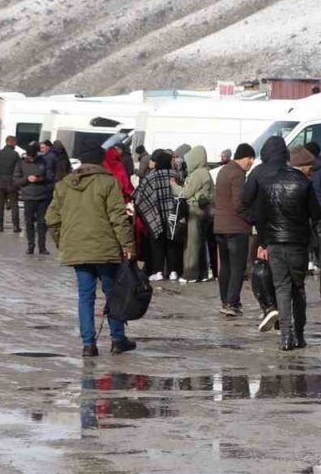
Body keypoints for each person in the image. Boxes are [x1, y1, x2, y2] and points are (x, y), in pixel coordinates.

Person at [45, 146, 136, 358]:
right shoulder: (108, 182)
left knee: (85, 297)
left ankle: (88, 344)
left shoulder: (64, 185)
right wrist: (128, 246)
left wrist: (63, 242)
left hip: (78, 249)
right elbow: (118, 217)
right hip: (105, 249)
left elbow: (51, 219)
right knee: (113, 294)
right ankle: (117, 339)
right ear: (101, 161)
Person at [245, 140, 321, 350]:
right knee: (299, 288)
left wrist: (263, 242)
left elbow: (259, 215)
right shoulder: (303, 182)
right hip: (298, 243)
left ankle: (286, 337)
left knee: (281, 288)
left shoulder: (267, 182)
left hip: (274, 242)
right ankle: (299, 335)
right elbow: (316, 213)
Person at [213, 144, 255, 316]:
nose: (251, 162)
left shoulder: (223, 171)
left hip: (220, 227)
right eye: (250, 159)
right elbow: (239, 204)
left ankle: (225, 301)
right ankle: (232, 303)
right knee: (237, 267)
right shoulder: (238, 174)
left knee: (225, 266)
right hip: (236, 227)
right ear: (243, 157)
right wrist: (251, 218)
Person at [134, 150, 182, 281]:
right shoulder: (176, 175)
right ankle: (173, 271)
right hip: (173, 214)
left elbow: (140, 197)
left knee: (157, 243)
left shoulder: (151, 177)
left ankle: (158, 271)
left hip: (156, 215)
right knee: (172, 242)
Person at [177, 146, 214, 283]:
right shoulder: (207, 172)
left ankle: (190, 273)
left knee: (192, 243)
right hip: (205, 210)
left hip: (194, 210)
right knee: (201, 242)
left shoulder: (198, 174)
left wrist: (174, 186)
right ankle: (203, 273)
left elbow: (186, 193)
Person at [0, 136, 22, 232]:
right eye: (15, 142)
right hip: (12, 182)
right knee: (14, 205)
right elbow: (19, 169)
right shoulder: (15, 155)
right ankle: (16, 226)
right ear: (12, 142)